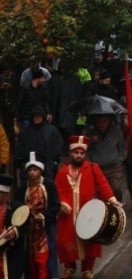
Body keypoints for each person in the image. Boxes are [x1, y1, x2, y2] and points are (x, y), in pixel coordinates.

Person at [55, 135, 121, 279]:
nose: (79, 155)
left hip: (88, 212)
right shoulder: (62, 172)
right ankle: (69, 267)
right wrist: (61, 203)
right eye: (76, 153)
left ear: (85, 154)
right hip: (68, 214)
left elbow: (103, 184)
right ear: (71, 153)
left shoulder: (92, 167)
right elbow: (57, 190)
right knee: (66, 240)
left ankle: (87, 269)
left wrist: (112, 199)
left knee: (90, 240)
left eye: (82, 153)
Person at [17, 152, 59, 279]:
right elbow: (18, 208)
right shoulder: (22, 188)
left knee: (44, 261)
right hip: (29, 231)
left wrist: (44, 216)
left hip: (44, 230)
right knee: (31, 262)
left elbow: (55, 206)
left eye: (35, 169)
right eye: (30, 169)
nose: (32, 172)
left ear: (40, 170)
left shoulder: (49, 185)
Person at [14, 105, 62, 182]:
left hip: (47, 167)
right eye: (35, 116)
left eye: (39, 116)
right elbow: (20, 147)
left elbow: (58, 145)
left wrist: (55, 160)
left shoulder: (51, 130)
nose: (37, 118)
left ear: (43, 117)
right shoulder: (26, 131)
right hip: (29, 167)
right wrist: (19, 161)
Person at [85, 114, 126, 202]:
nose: (102, 124)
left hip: (114, 167)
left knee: (116, 188)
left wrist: (120, 159)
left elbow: (122, 147)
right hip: (97, 167)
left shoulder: (116, 131)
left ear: (109, 121)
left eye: (104, 121)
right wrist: (92, 141)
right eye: (99, 121)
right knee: (99, 191)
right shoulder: (91, 133)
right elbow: (86, 149)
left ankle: (117, 207)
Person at [0, 174, 24, 279]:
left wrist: (15, 231)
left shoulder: (17, 207)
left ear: (5, 194)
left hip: (10, 253)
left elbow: (24, 227)